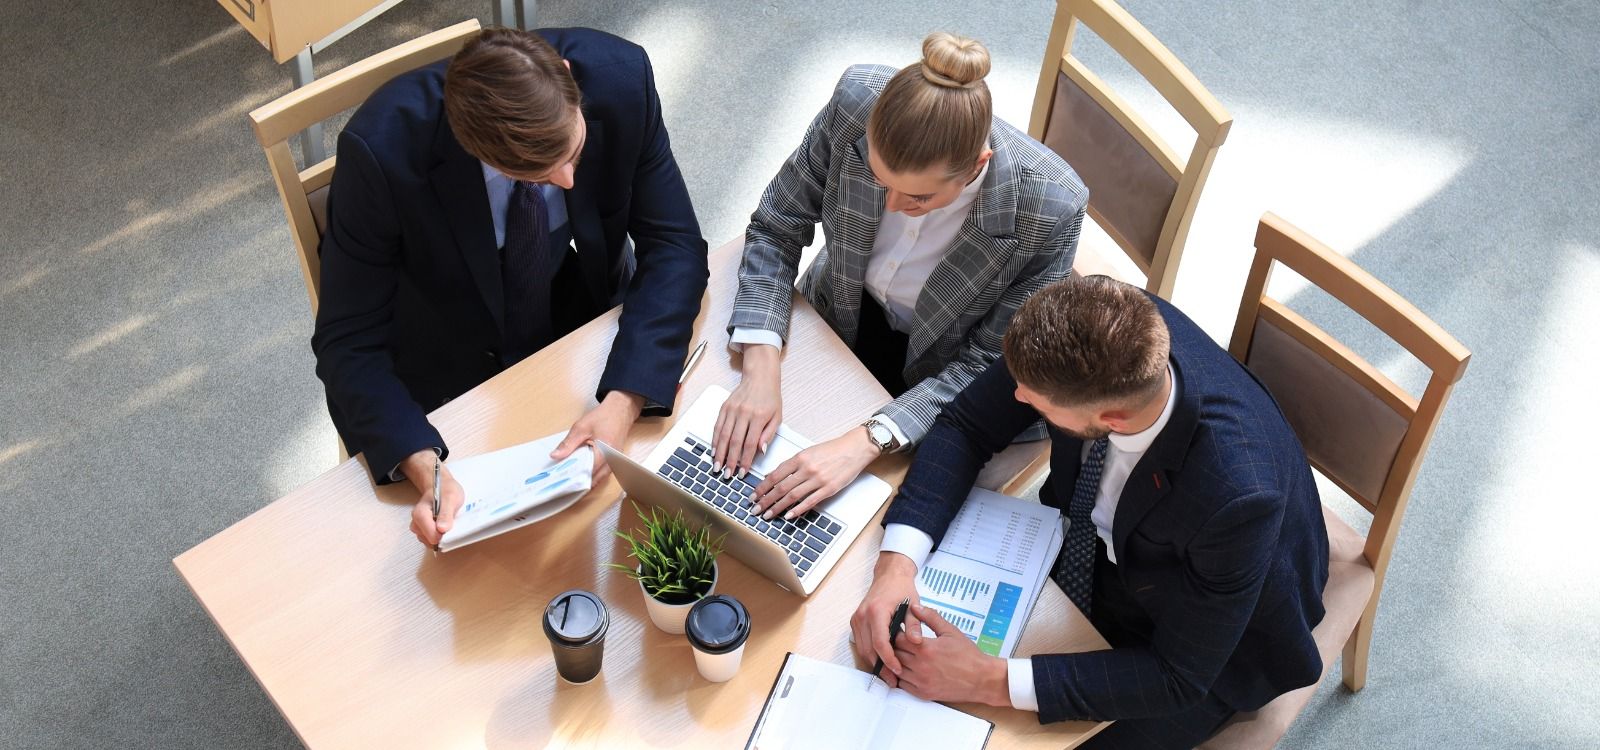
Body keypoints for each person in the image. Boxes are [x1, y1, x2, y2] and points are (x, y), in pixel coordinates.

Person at [851, 276, 1331, 749]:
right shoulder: (1107, 323)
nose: (1016, 397)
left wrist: (987, 680)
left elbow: (1177, 676)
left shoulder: (1237, 500)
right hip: (1090, 550)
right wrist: (896, 567)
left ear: (1111, 420)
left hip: (1198, 643)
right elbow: (967, 423)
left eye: (1035, 401)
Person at [311, 28, 708, 548]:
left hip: (582, 330)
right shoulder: (379, 152)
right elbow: (347, 340)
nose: (567, 180)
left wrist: (624, 400)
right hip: (450, 374)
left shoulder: (622, 80)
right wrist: (425, 468)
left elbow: (675, 245)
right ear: (471, 146)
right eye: (538, 174)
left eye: (573, 150)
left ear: (566, 78)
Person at [715, 33, 1088, 520]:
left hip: (951, 377)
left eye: (919, 198)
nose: (892, 205)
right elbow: (776, 225)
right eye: (879, 179)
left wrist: (866, 441)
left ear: (977, 165)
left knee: (878, 523)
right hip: (840, 312)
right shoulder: (855, 102)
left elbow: (988, 367)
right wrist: (760, 368)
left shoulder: (1051, 208)